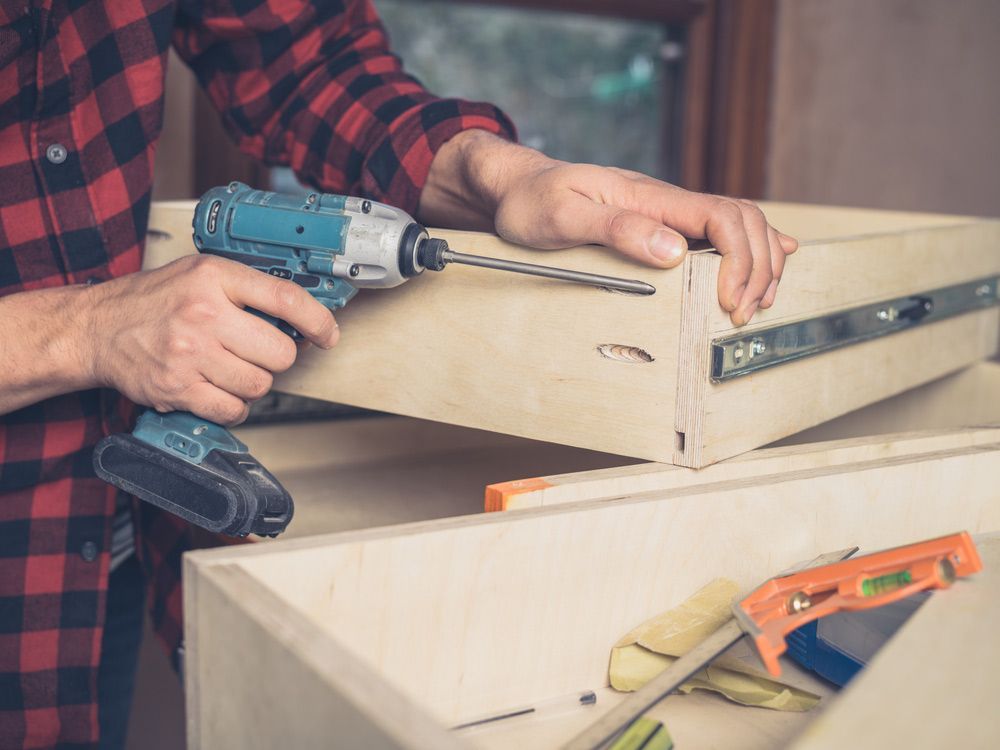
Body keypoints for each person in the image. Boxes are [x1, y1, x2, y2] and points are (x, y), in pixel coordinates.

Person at [0, 1, 797, 747]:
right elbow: (96, 329)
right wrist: (88, 332)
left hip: (96, 552)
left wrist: (493, 173)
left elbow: (308, 63)